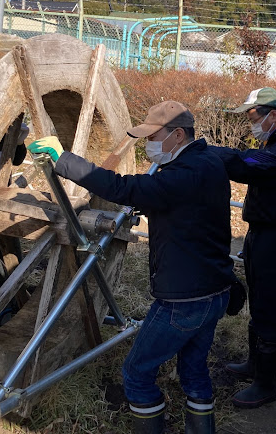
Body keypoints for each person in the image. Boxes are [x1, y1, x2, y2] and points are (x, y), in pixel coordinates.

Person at [28, 100, 235, 434]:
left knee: (137, 374)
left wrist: (62, 160)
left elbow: (123, 188)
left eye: (154, 136)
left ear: (178, 135)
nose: (149, 144)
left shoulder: (182, 176)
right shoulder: (209, 161)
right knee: (194, 371)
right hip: (216, 290)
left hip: (182, 302)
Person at [209, 87, 276, 409]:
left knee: (269, 307)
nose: (250, 123)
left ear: (273, 114)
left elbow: (247, 164)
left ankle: (266, 384)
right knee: (259, 301)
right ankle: (255, 366)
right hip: (261, 233)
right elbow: (247, 160)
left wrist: (205, 151)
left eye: (253, 116)